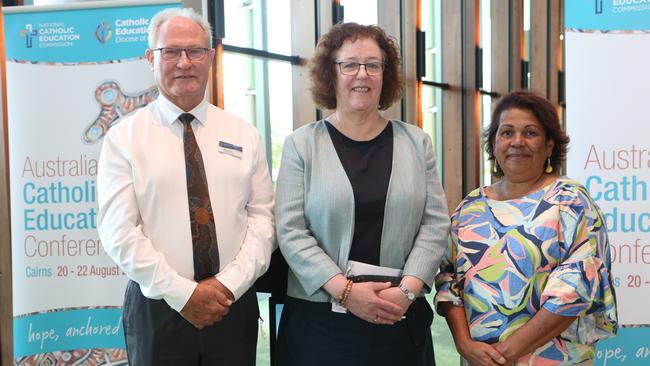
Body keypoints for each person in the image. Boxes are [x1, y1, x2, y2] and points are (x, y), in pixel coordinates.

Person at [97, 8, 274, 366]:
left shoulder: (244, 134)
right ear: (150, 58)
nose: (184, 62)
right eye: (171, 52)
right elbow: (119, 232)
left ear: (210, 57)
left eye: (195, 51)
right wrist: (184, 295)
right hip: (157, 309)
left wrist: (226, 287)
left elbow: (262, 222)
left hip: (232, 306)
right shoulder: (124, 139)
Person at [274, 22, 450, 366]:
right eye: (350, 64)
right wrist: (347, 292)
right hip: (320, 325)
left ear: (386, 75)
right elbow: (291, 231)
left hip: (398, 317)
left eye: (373, 65)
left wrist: (407, 291)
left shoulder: (417, 143)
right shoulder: (302, 145)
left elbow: (434, 225)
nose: (362, 74)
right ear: (331, 73)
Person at [435, 90, 618, 366]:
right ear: (494, 146)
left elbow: (574, 291)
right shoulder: (470, 207)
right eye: (507, 132)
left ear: (549, 146)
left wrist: (503, 355)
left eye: (530, 133)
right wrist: (464, 345)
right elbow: (449, 281)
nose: (517, 142)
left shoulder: (569, 201)